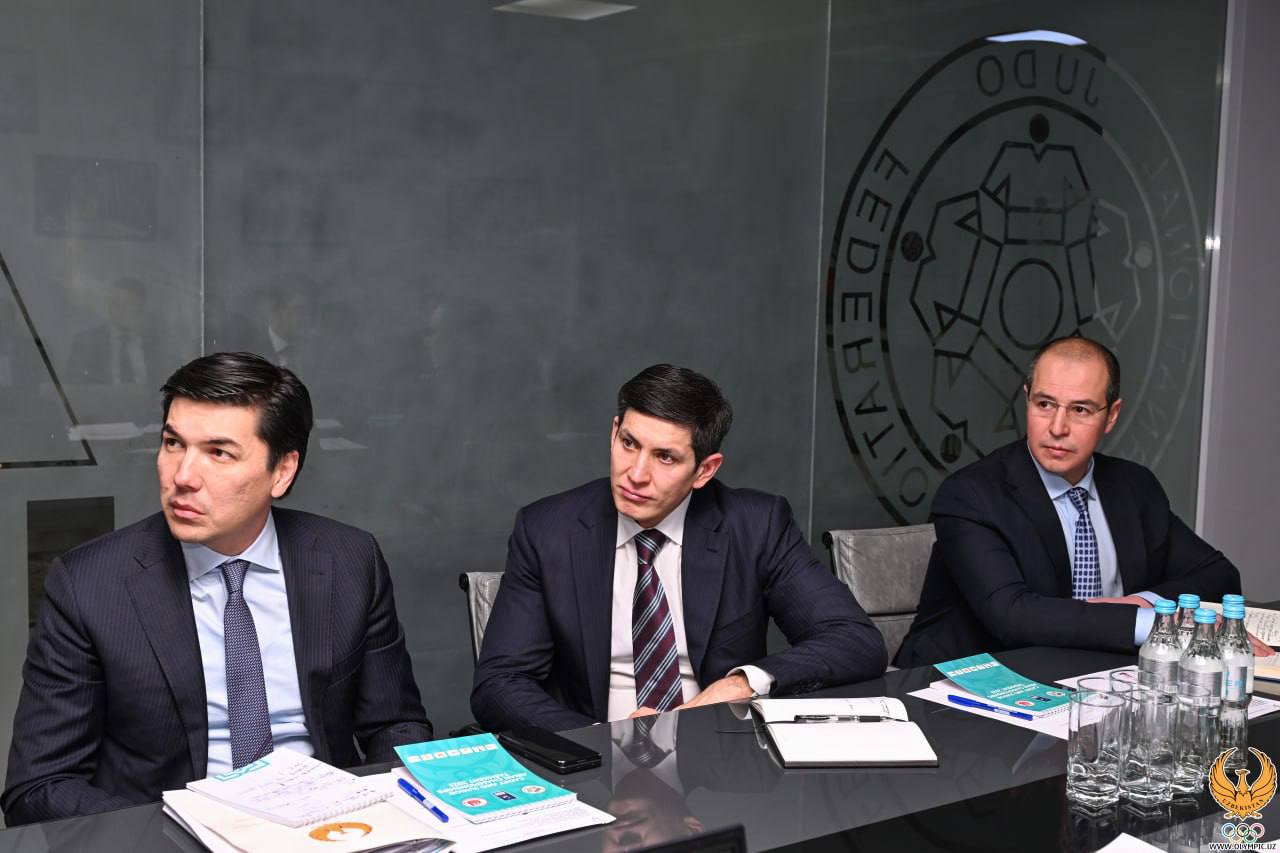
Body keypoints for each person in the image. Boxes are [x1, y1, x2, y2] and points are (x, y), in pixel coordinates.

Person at [2, 352, 432, 825]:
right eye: (173, 443)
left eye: (219, 453)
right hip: (168, 834)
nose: (182, 477)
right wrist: (182, 831)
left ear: (282, 471)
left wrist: (388, 819)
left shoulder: (349, 559)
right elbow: (38, 787)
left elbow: (396, 725)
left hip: (326, 827)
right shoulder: (90, 583)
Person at [472, 364, 886, 733]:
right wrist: (602, 740)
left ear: (705, 470)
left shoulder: (755, 526)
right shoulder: (549, 530)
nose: (636, 474)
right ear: (614, 432)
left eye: (665, 457)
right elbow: (500, 683)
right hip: (595, 759)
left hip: (719, 758)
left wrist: (742, 684)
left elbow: (854, 640)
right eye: (629, 443)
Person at [895, 335, 1248, 667]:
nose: (1057, 427)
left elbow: (1220, 576)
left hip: (1099, 677)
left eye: (1080, 409)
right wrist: (1149, 622)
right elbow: (1013, 617)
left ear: (1111, 415)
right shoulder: (972, 494)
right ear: (1027, 399)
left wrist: (1142, 602)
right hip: (968, 682)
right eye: (1045, 404)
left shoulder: (1134, 486)